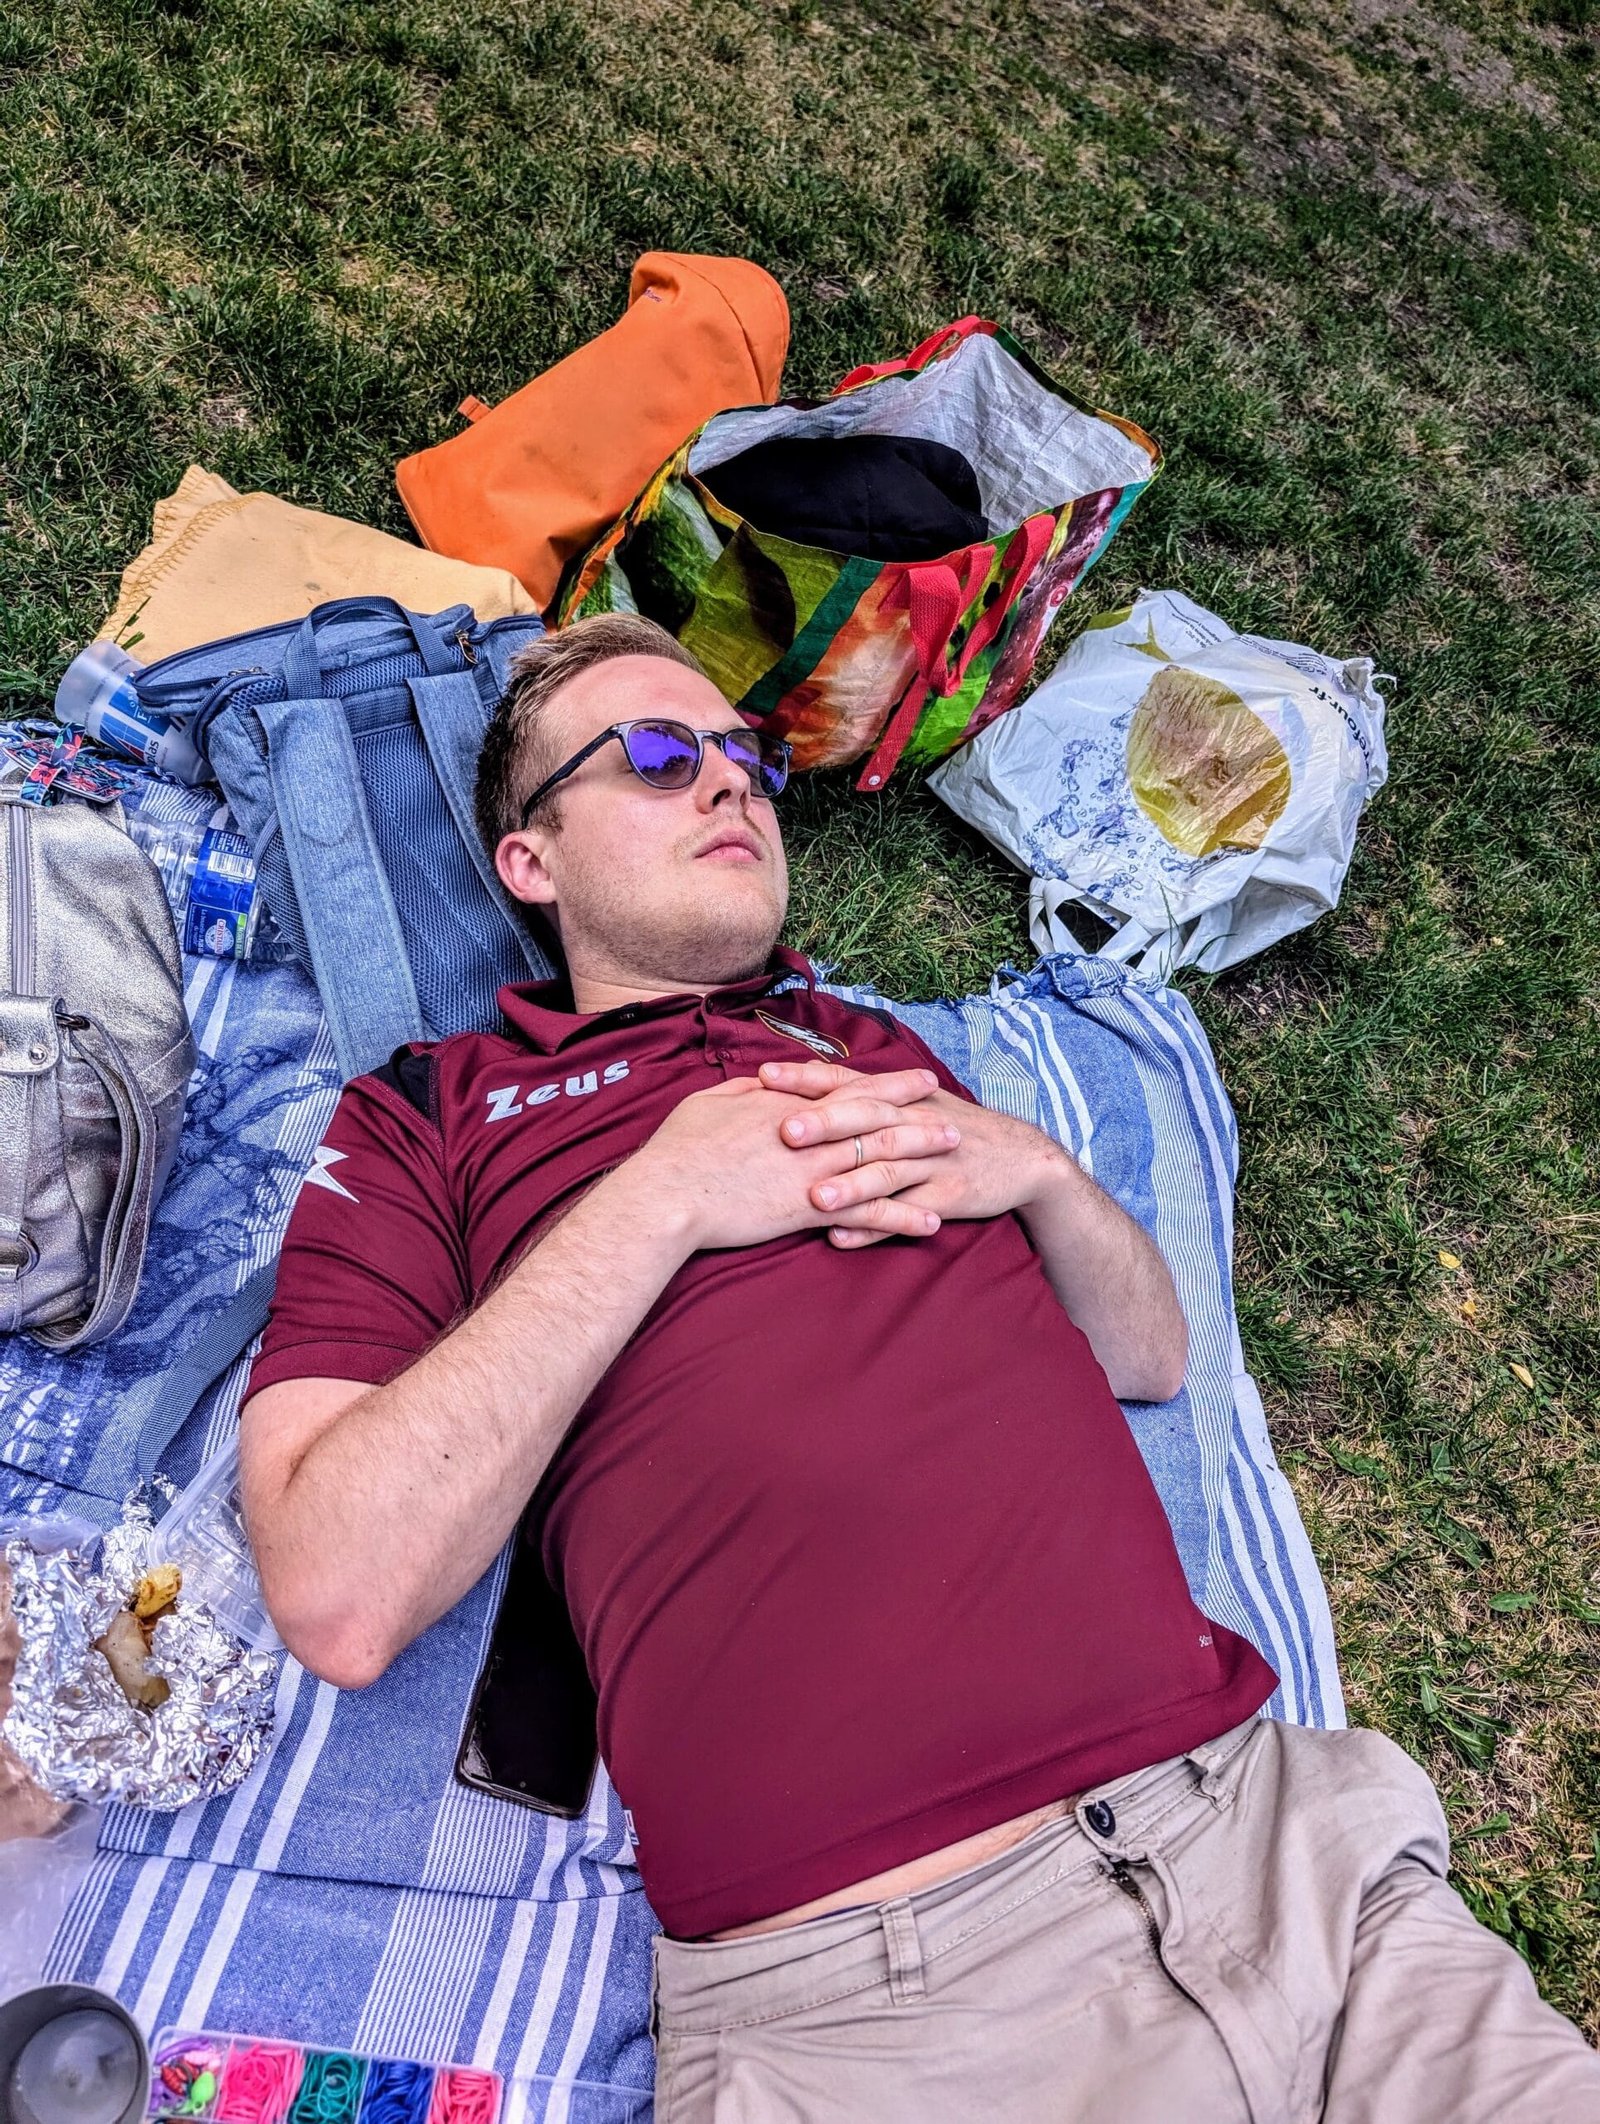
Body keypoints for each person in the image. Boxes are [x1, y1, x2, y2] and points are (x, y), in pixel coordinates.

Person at [241, 615, 1600, 2123]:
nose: (730, 788)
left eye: (746, 759)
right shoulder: (431, 1112)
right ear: (530, 862)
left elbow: (1152, 1354)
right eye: (655, 755)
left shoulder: (869, 1045)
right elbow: (337, 1590)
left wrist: (1040, 1175)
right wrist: (664, 1194)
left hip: (1291, 1864)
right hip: (886, 2011)